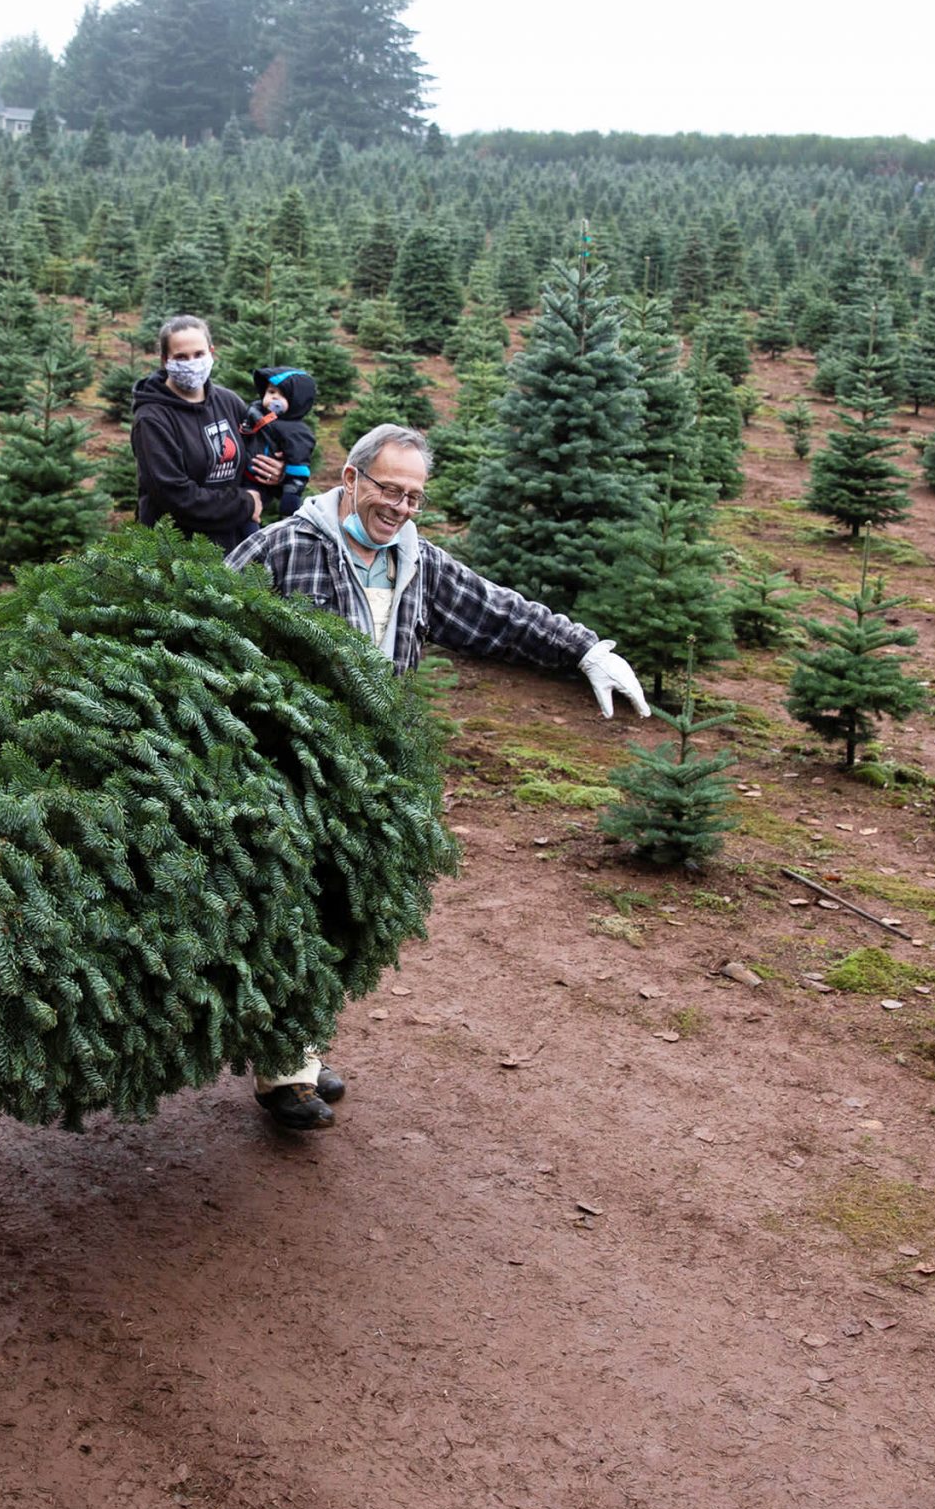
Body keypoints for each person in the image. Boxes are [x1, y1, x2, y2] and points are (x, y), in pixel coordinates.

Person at [224, 423, 649, 1130]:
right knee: (287, 904)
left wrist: (583, 649)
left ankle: (298, 1044)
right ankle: (283, 1069)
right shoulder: (284, 547)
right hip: (282, 770)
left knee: (338, 908)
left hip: (367, 773)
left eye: (414, 497)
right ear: (351, 478)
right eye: (389, 489)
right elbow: (205, 623)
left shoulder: (417, 564)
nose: (400, 507)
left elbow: (498, 612)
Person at [131, 314, 273, 551]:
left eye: (199, 354)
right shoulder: (151, 419)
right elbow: (174, 496)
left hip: (234, 541)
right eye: (181, 357)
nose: (192, 363)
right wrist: (246, 503)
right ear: (165, 360)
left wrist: (273, 476)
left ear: (211, 352)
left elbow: (255, 459)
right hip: (176, 549)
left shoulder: (229, 402)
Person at [241, 366, 319, 520]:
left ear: (297, 400)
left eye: (282, 395)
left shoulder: (296, 431)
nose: (274, 398)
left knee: (249, 516)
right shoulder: (253, 414)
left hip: (261, 484)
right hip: (241, 477)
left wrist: (291, 494)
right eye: (271, 392)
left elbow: (299, 462)